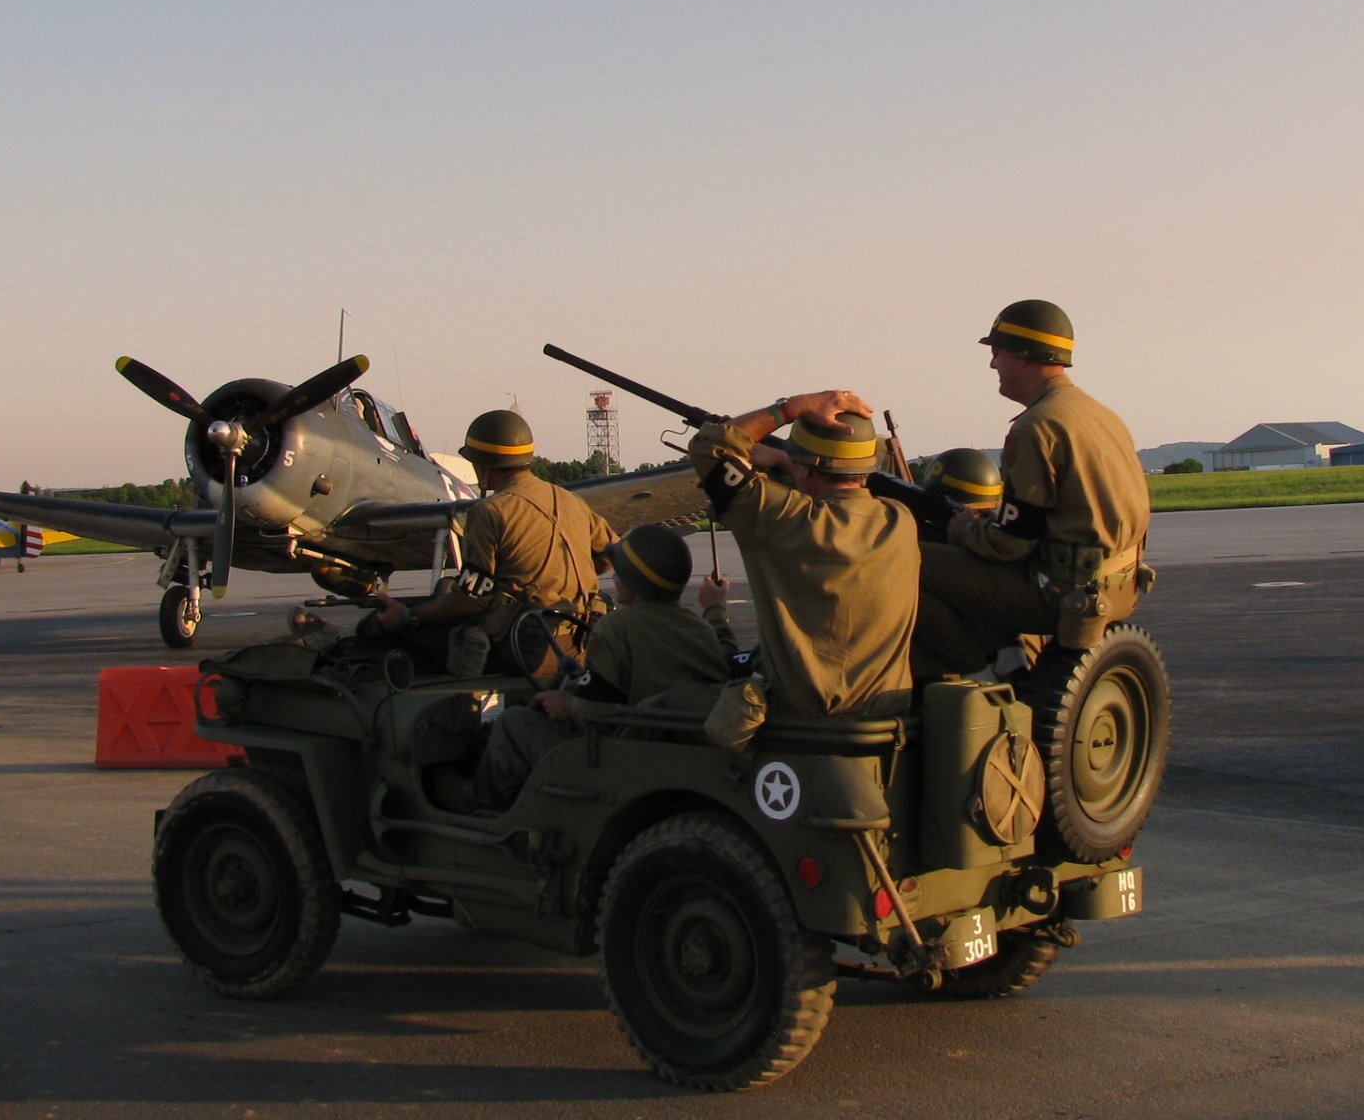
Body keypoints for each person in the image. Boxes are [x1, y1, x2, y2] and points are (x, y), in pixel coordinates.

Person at [915, 300, 1151, 677]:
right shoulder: (1099, 415)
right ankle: (1010, 660)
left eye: (998, 352)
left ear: (1023, 356)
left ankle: (981, 678)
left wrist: (968, 531)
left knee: (910, 565)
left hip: (1063, 590)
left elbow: (1012, 541)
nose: (993, 364)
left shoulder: (1035, 427)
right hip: (1118, 582)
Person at [469, 523, 737, 812]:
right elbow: (728, 658)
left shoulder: (616, 628)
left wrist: (567, 704)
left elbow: (593, 716)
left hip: (621, 764)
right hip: (674, 758)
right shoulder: (700, 629)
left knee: (514, 723)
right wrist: (715, 609)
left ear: (629, 584)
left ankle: (483, 812)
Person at [687, 390, 918, 719]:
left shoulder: (782, 518)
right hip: (885, 724)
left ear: (806, 471)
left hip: (800, 729)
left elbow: (709, 447)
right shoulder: (900, 522)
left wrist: (789, 409)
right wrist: (791, 462)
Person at [364, 408, 615, 677]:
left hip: (523, 649)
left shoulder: (489, 512)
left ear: (483, 465)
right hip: (578, 647)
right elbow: (610, 554)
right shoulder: (570, 500)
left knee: (377, 628)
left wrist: (407, 616)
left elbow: (471, 601)